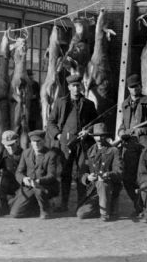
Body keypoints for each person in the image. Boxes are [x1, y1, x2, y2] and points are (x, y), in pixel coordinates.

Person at [46, 73, 98, 212]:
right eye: (73, 86)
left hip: (83, 143)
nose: (76, 89)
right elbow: (50, 122)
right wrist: (58, 136)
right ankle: (64, 204)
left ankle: (81, 204)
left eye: (78, 86)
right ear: (69, 87)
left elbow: (97, 123)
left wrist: (88, 131)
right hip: (66, 145)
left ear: (81, 86)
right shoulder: (60, 103)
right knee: (65, 174)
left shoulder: (89, 104)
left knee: (82, 172)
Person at [117, 73, 147, 216]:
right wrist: (121, 132)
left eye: (136, 86)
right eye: (131, 87)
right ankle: (138, 204)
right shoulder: (125, 104)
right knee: (127, 178)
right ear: (128, 89)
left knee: (144, 176)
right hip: (129, 145)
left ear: (140, 86)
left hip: (144, 146)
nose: (134, 89)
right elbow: (122, 124)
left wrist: (143, 130)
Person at [76, 123, 123, 221]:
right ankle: (104, 206)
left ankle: (105, 214)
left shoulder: (114, 151)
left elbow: (119, 172)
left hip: (109, 187)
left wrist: (108, 175)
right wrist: (88, 177)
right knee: (81, 213)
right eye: (97, 136)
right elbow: (82, 172)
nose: (99, 139)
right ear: (93, 137)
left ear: (106, 136)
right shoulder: (90, 152)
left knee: (102, 182)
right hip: (94, 190)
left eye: (102, 136)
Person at [10, 130, 59, 219]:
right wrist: (24, 179)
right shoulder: (26, 153)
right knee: (15, 214)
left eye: (38, 141)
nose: (36, 144)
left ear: (43, 141)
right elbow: (19, 172)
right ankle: (35, 207)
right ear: (31, 142)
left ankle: (45, 210)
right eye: (33, 142)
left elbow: (52, 175)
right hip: (29, 187)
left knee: (39, 190)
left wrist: (39, 181)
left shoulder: (51, 154)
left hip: (45, 186)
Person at [0, 130, 23, 215]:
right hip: (8, 183)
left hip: (21, 183)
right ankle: (4, 209)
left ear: (17, 142)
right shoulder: (2, 155)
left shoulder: (25, 154)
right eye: (7, 145)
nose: (10, 148)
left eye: (12, 145)